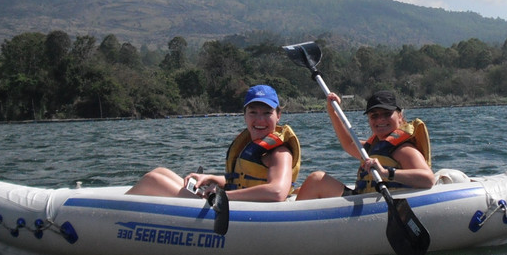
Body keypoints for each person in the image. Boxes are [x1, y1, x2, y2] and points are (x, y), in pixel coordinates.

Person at [126, 85, 301, 202]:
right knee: (160, 172)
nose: (259, 119)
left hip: (242, 211)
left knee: (153, 180)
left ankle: (115, 222)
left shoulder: (280, 153)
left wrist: (223, 195)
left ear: (278, 116)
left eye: (267, 113)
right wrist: (210, 178)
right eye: (253, 112)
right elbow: (241, 181)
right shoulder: (250, 144)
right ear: (245, 115)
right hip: (234, 204)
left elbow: (277, 192)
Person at [295, 89, 434, 200]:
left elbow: (428, 179)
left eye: (387, 114)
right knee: (316, 180)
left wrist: (385, 172)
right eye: (374, 116)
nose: (380, 119)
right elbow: (349, 143)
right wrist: (333, 112)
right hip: (365, 201)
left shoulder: (405, 150)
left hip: (382, 206)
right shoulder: (372, 147)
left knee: (316, 179)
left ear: (400, 117)